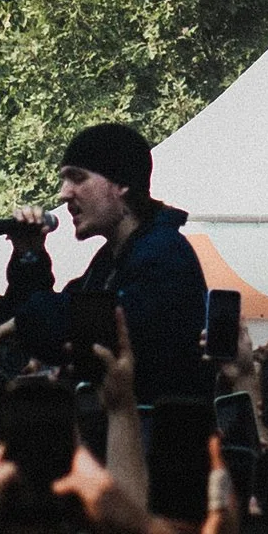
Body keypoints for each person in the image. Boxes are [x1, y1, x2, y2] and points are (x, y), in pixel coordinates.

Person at [56, 124, 208, 405]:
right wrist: (28, 254)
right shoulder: (108, 260)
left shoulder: (164, 256)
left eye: (77, 178)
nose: (64, 194)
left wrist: (31, 320)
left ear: (122, 184)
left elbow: (94, 327)